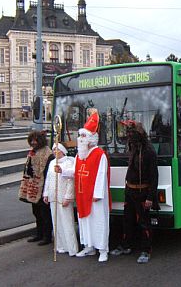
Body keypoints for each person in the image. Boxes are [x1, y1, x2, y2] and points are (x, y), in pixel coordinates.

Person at [55, 108, 111, 262]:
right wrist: (62, 170)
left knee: (98, 222)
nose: (80, 138)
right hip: (82, 195)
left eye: (83, 136)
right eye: (80, 135)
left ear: (92, 138)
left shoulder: (100, 155)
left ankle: (103, 250)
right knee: (84, 222)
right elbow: (74, 170)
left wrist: (98, 194)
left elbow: (101, 175)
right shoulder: (80, 155)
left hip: (94, 196)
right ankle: (89, 247)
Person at [110, 120, 159, 264]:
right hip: (130, 190)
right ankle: (126, 245)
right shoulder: (132, 148)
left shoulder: (149, 151)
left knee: (144, 222)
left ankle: (146, 250)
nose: (129, 136)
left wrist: (150, 197)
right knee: (127, 220)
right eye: (128, 133)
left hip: (142, 192)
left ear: (139, 134)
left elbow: (154, 177)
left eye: (132, 133)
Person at [18, 130, 54, 245]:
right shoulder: (33, 152)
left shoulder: (48, 154)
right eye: (32, 140)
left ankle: (47, 237)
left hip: (43, 187)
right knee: (36, 212)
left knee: (45, 214)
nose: (33, 143)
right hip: (33, 186)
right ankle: (39, 234)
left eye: (35, 140)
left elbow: (48, 173)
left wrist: (45, 190)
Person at [43, 143, 78, 257]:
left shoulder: (69, 162)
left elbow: (70, 181)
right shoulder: (52, 163)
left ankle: (71, 247)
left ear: (62, 151)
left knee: (67, 222)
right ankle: (60, 245)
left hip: (63, 196)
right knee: (56, 222)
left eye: (57, 150)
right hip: (54, 196)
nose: (54, 152)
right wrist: (46, 193)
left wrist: (68, 197)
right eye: (53, 150)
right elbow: (48, 179)